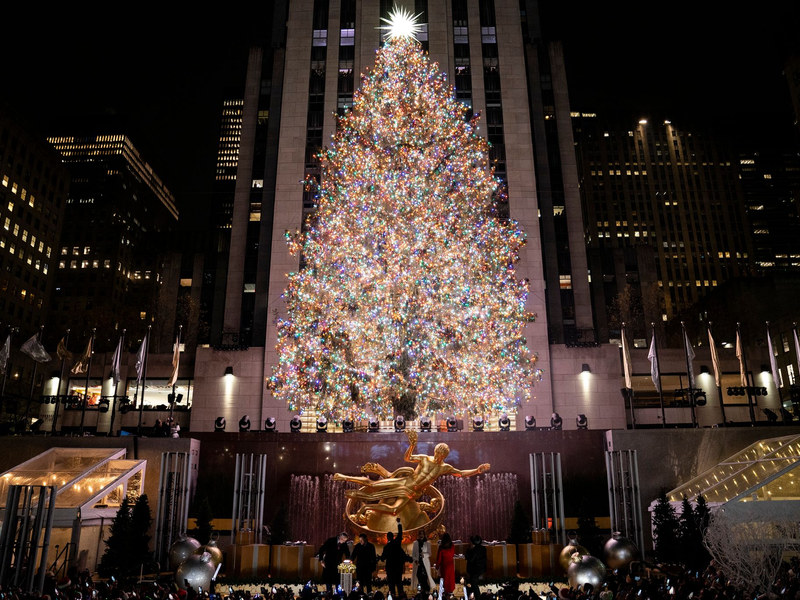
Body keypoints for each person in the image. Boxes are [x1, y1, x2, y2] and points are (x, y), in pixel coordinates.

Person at [380, 518, 406, 597]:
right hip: (398, 567)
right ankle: (401, 596)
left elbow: (383, 558)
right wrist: (399, 523)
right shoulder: (397, 543)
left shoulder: (386, 547)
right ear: (393, 537)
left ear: (387, 538)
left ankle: (393, 596)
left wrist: (380, 558)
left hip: (390, 568)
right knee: (399, 582)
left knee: (391, 584)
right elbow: (400, 533)